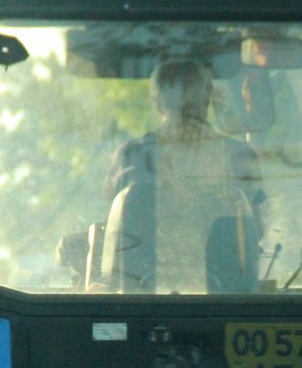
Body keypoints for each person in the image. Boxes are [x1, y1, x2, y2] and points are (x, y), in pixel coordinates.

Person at [101, 59, 266, 293]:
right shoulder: (239, 155)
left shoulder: (131, 156)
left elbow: (116, 228)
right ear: (207, 97)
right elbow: (256, 230)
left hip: (139, 297)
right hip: (229, 300)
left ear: (157, 102)